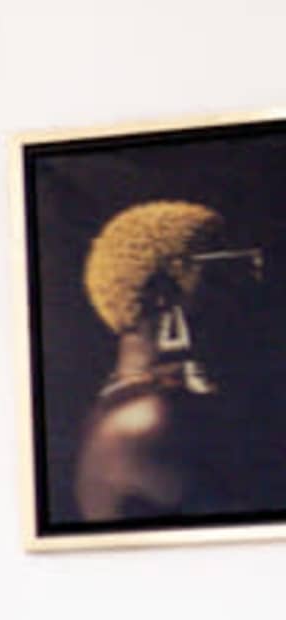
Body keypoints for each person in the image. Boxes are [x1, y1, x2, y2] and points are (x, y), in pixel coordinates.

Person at [72, 193, 278, 525]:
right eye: (227, 275)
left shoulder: (138, 403)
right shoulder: (149, 421)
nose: (249, 288)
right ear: (164, 295)